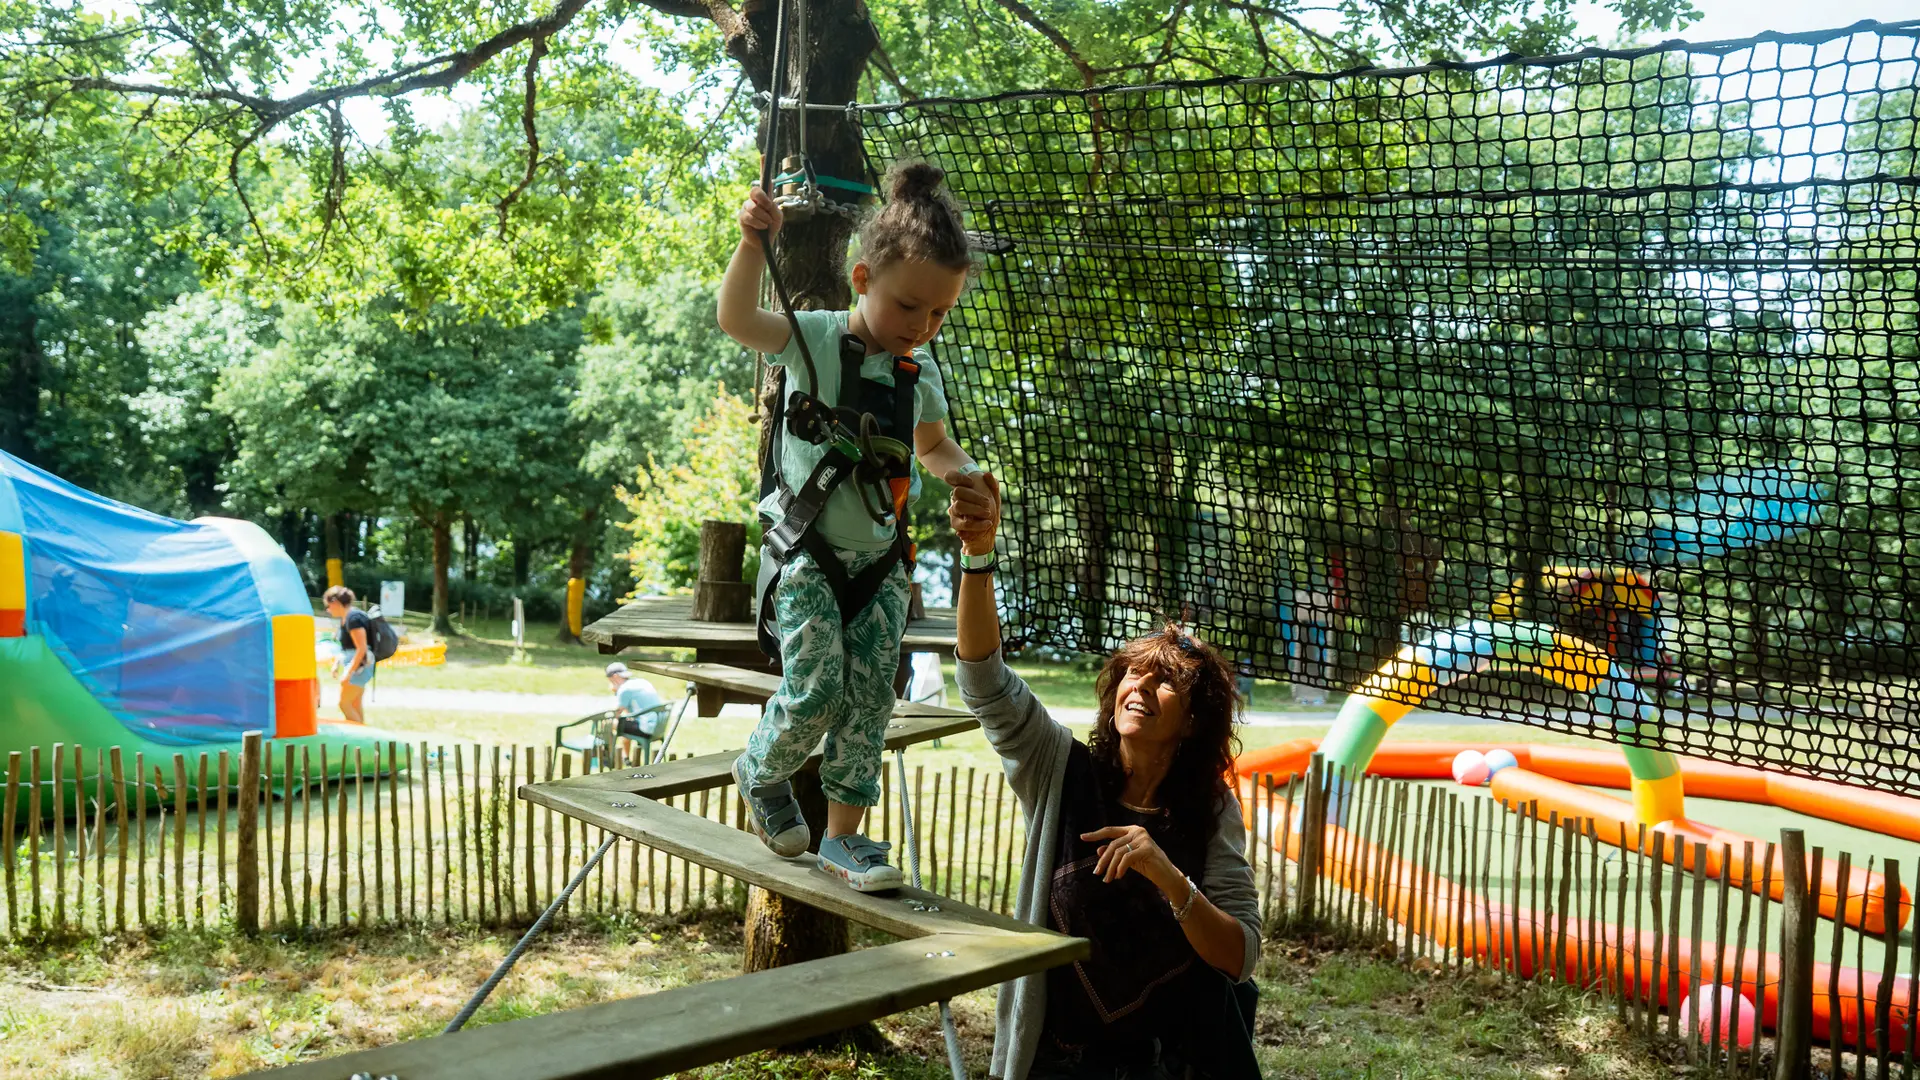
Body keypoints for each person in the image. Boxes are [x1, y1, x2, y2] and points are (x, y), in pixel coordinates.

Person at [718, 161, 984, 892]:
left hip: (882, 565)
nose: (921, 327)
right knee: (816, 689)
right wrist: (752, 244)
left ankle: (844, 838)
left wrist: (967, 475)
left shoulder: (917, 372)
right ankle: (761, 769)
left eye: (939, 315)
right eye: (909, 306)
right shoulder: (811, 338)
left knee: (870, 702)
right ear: (862, 278)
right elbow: (738, 321)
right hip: (808, 551)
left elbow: (932, 446)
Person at [946, 471, 1264, 1079]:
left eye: (1165, 680)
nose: (1140, 686)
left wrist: (1167, 876)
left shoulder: (1210, 810)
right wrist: (979, 555)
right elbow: (984, 681)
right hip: (1054, 1062)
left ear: (1194, 722)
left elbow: (1240, 956)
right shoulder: (1059, 769)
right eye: (1132, 673)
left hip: (1162, 1067)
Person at [323, 586, 374, 725]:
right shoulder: (347, 618)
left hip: (359, 666)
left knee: (344, 703)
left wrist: (348, 672)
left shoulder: (354, 619)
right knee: (354, 704)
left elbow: (361, 648)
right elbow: (346, 647)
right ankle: (362, 734)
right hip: (357, 664)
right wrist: (336, 664)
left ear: (336, 603)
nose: (328, 610)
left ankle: (360, 734)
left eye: (329, 606)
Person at [605, 662, 666, 755]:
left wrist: (616, 692)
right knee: (625, 723)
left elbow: (615, 714)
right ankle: (625, 757)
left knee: (608, 723)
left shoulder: (624, 689)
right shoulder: (642, 682)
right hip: (659, 727)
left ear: (615, 677)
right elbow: (628, 713)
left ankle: (608, 756)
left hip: (646, 729)